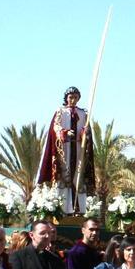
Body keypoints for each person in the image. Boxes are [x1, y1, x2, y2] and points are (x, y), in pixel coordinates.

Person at [37, 86, 96, 214]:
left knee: (79, 176)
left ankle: (80, 208)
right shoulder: (60, 112)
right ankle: (62, 208)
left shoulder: (83, 113)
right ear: (66, 98)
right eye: (71, 97)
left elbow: (88, 131)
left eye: (75, 97)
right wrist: (64, 133)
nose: (73, 100)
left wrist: (85, 133)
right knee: (65, 176)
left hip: (79, 149)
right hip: (65, 149)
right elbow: (55, 128)